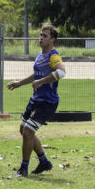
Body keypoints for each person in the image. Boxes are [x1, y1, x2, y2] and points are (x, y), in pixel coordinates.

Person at [7, 25, 66, 177]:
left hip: (47, 102)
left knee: (28, 132)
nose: (41, 38)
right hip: (35, 99)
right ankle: (44, 162)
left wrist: (42, 81)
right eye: (41, 35)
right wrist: (19, 83)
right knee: (23, 130)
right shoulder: (40, 55)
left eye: (45, 36)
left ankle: (23, 168)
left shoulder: (54, 56)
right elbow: (36, 75)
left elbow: (61, 72)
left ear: (52, 40)